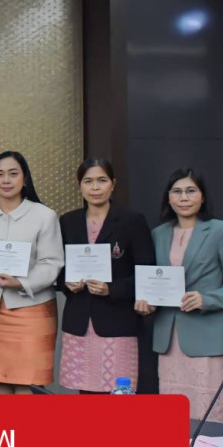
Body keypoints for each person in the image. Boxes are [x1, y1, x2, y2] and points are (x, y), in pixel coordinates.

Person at [140, 168, 223, 421]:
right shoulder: (158, 234)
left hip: (208, 337)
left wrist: (206, 299)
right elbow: (155, 281)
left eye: (191, 191)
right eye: (177, 192)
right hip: (169, 339)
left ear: (202, 196)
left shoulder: (221, 230)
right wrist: (148, 302)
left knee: (207, 415)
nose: (184, 197)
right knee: (172, 415)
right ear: (168, 198)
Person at [57, 158, 154, 394]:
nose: (95, 187)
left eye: (102, 180)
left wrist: (111, 289)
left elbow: (147, 274)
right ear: (79, 185)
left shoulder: (132, 221)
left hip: (118, 323)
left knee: (119, 397)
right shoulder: (68, 222)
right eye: (88, 181)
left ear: (113, 184)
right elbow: (58, 270)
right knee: (86, 397)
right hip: (80, 322)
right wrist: (68, 283)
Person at [0, 151, 63, 394]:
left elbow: (51, 262)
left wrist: (21, 282)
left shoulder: (44, 215)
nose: (6, 180)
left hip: (32, 309)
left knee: (28, 383)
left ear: (25, 178)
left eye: (13, 174)